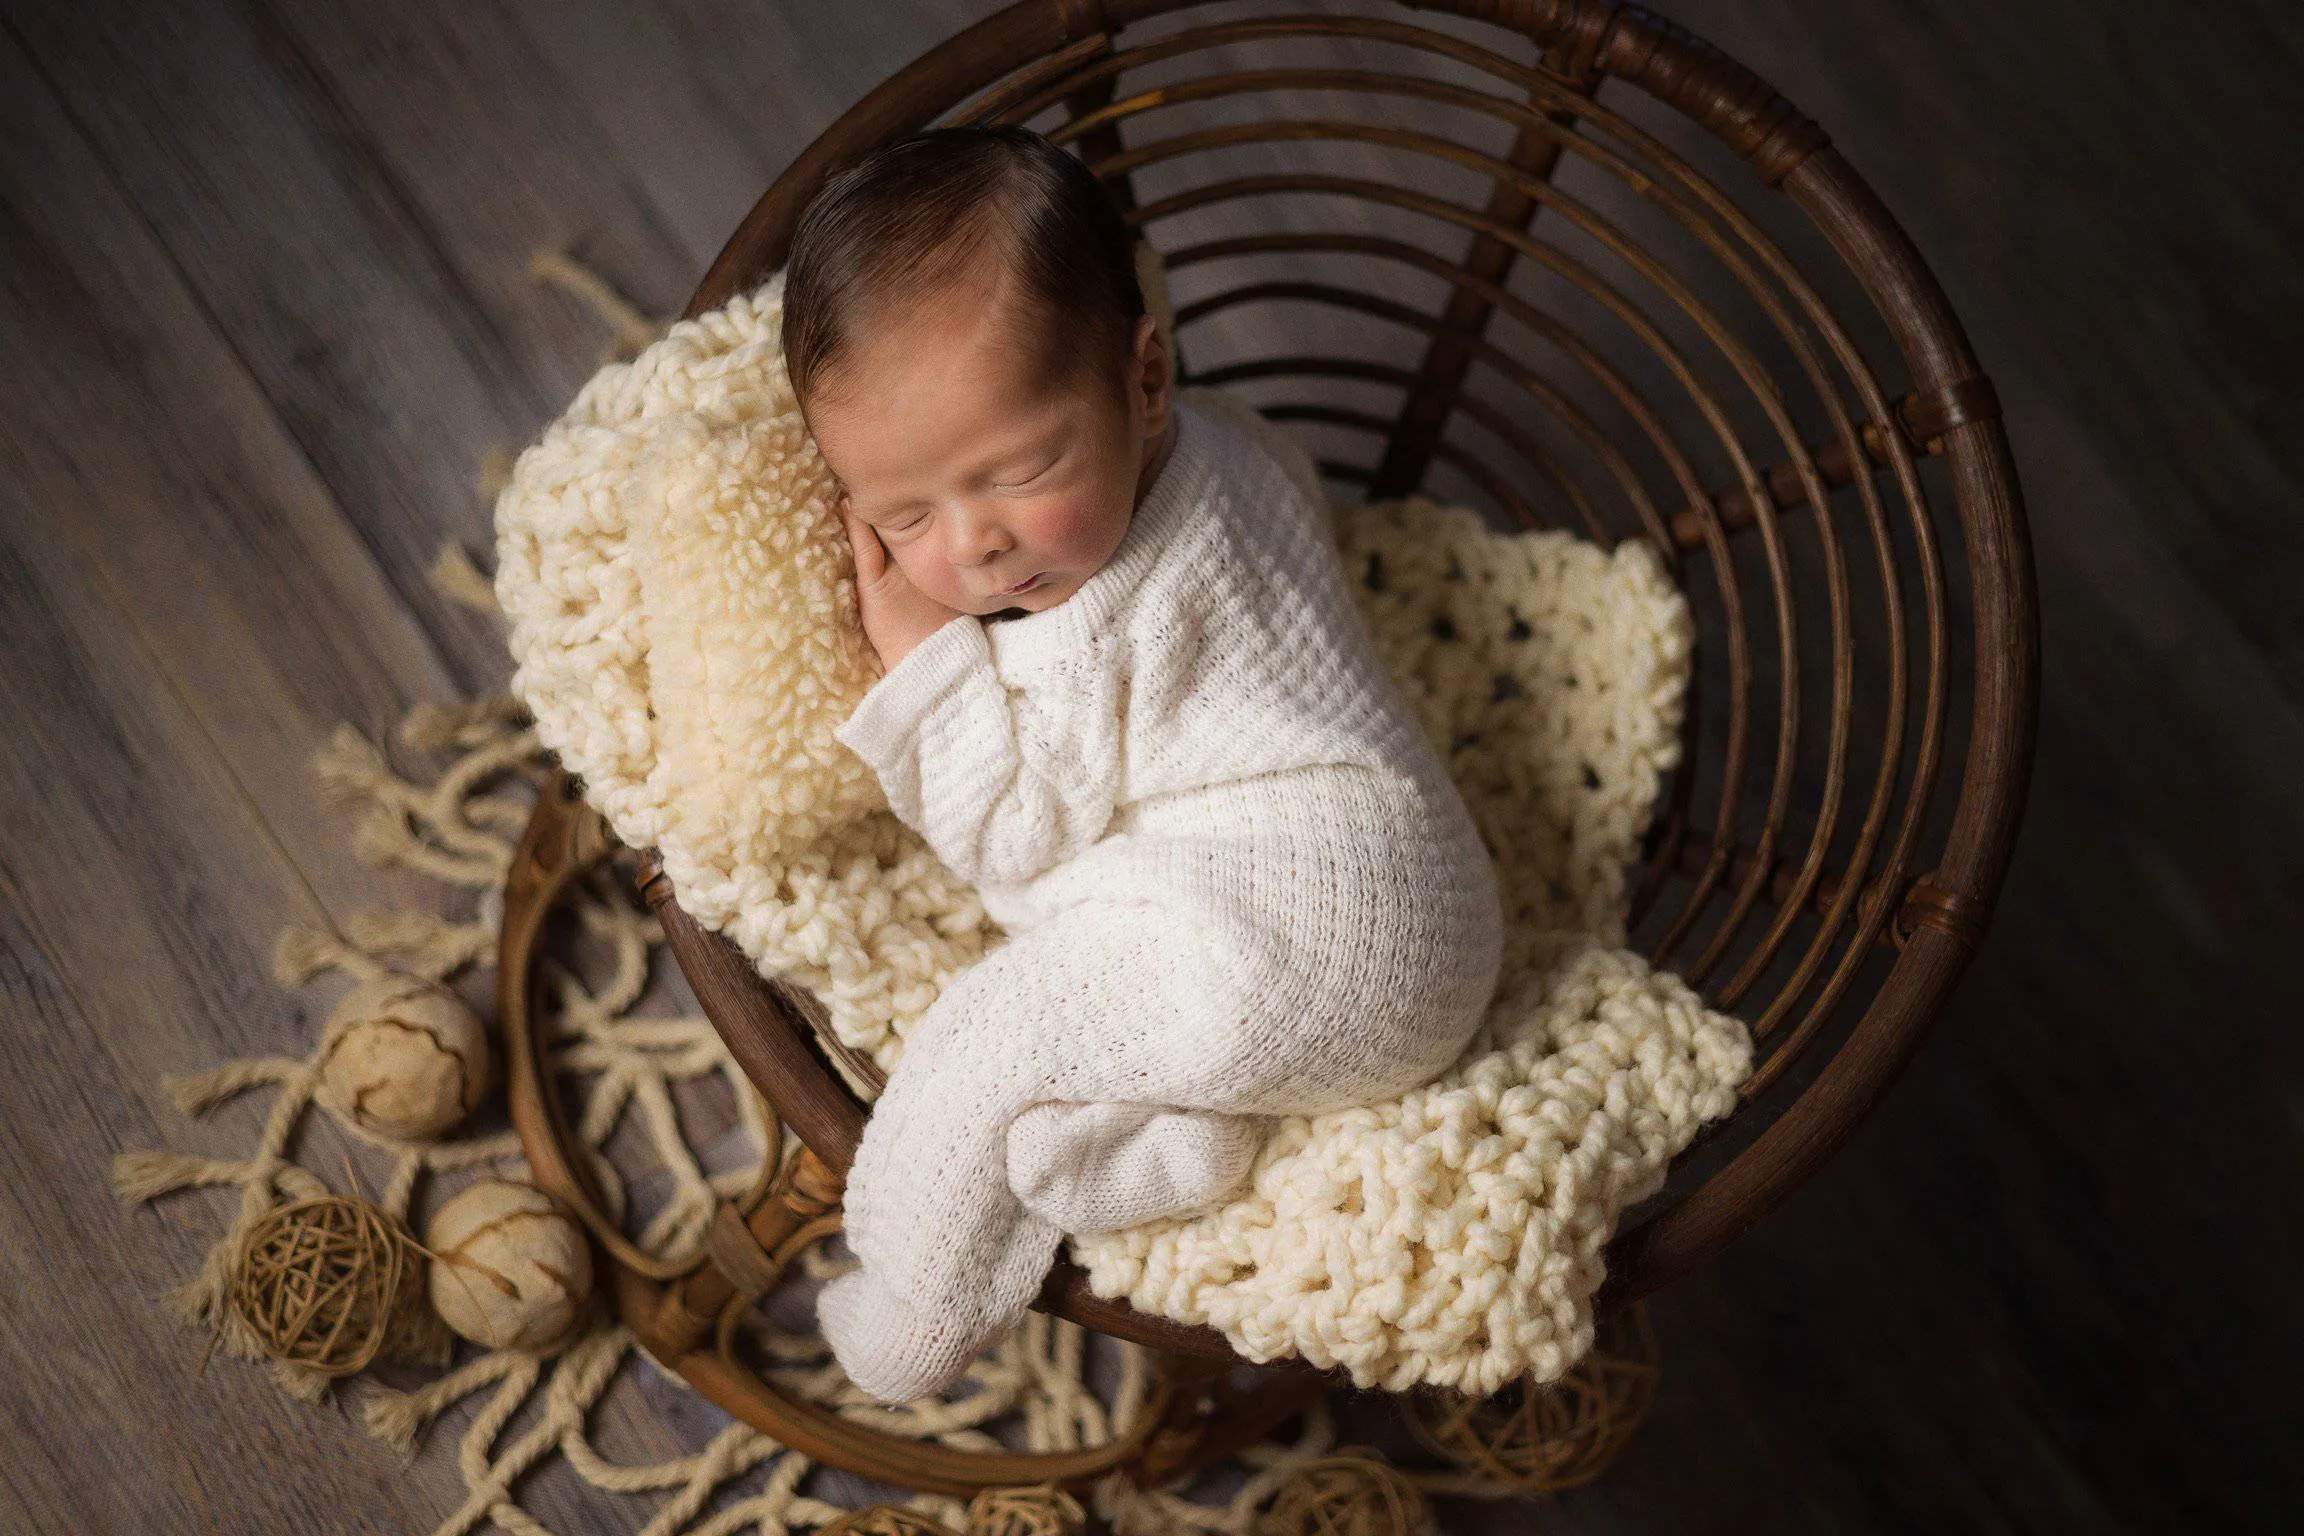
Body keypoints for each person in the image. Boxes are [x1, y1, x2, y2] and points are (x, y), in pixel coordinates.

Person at [782, 124, 1503, 1404]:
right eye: (905, 517)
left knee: (999, 1030)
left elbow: (1016, 837)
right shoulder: (1239, 445)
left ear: (1145, 377)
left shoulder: (1087, 618)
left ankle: (909, 1308)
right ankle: (1171, 1147)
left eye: (1018, 472)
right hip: (1429, 915)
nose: (978, 549)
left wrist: (923, 659)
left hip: (1302, 921)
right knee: (1118, 1022)